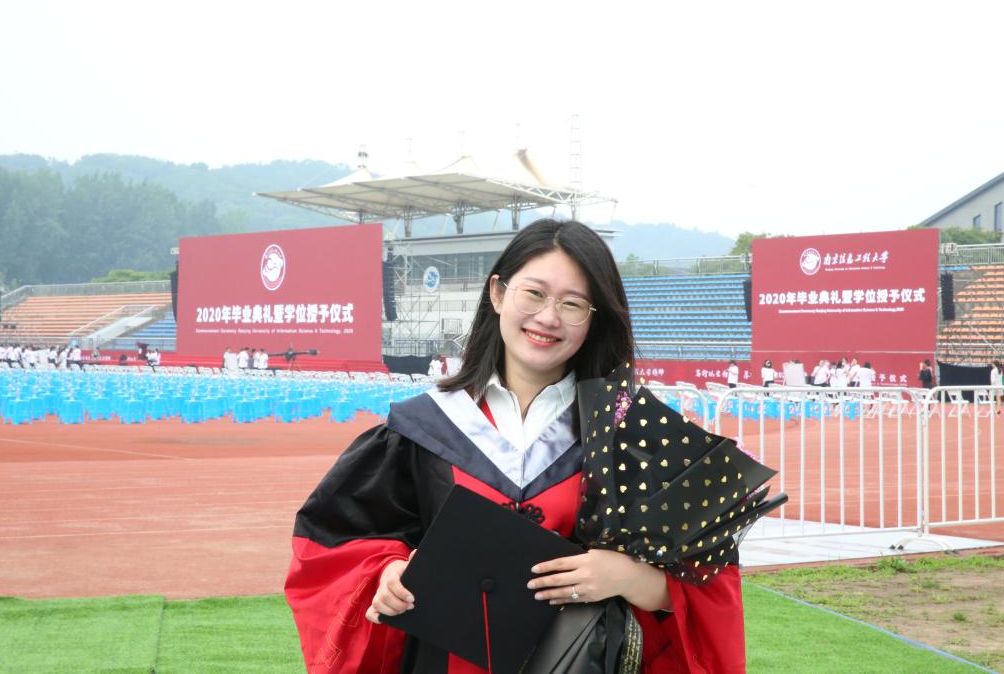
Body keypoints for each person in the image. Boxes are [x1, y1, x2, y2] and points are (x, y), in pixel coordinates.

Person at [284, 219, 746, 673]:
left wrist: (631, 578)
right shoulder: (421, 429)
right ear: (498, 293)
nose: (548, 317)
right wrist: (387, 573)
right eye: (534, 293)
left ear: (594, 320)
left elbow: (710, 583)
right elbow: (334, 544)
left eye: (573, 303)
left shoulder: (631, 435)